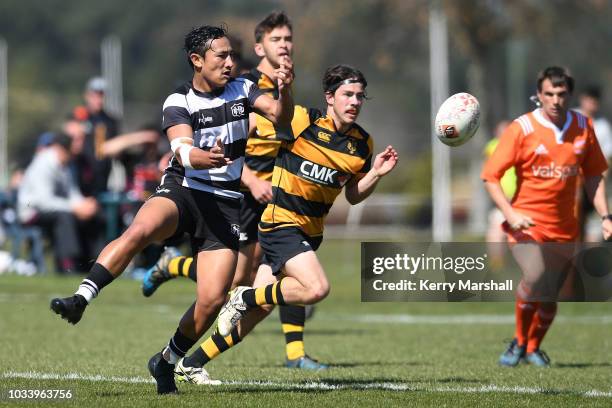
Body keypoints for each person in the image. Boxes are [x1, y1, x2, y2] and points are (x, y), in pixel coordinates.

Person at [50, 24, 294, 395]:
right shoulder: (178, 100)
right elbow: (182, 150)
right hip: (185, 189)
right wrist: (204, 158)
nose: (230, 62)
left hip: (226, 204)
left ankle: (165, 361)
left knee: (213, 299)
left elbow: (281, 116)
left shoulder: (244, 88)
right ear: (196, 60)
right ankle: (81, 297)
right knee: (140, 229)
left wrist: (285, 87)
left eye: (231, 55)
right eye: (221, 56)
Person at [141, 11, 327, 374]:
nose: (286, 46)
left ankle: (294, 352)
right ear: (259, 47)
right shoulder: (242, 85)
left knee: (277, 275)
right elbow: (222, 153)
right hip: (240, 194)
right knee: (235, 279)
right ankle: (172, 267)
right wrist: (251, 181)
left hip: (274, 198)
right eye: (277, 40)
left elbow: (287, 128)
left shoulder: (280, 89)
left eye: (289, 39)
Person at [200, 64, 397, 374]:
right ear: (330, 97)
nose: (355, 102)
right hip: (280, 223)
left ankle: (191, 362)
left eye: (360, 96)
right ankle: (245, 296)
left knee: (264, 307)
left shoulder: (362, 144)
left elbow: (354, 195)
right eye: (348, 95)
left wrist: (375, 173)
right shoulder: (304, 120)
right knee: (316, 288)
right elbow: (260, 121)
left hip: (310, 233)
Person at [481, 66, 612, 367]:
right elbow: (491, 176)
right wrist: (510, 213)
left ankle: (532, 347)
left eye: (561, 94)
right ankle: (518, 340)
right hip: (526, 223)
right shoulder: (522, 128)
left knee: (550, 294)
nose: (555, 100)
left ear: (569, 95)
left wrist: (606, 215)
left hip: (565, 227)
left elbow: (593, 175)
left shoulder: (583, 126)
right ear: (539, 95)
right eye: (549, 94)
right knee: (535, 276)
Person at [17, 133, 99, 273]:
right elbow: (44, 201)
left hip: (55, 209)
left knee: (94, 217)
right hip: (31, 212)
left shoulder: (66, 165)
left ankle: (92, 264)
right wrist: (75, 207)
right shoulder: (43, 163)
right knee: (64, 217)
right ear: (59, 149)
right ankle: (67, 266)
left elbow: (72, 192)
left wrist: (84, 205)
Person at [71, 77, 120, 197]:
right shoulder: (78, 116)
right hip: (80, 175)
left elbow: (113, 149)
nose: (98, 99)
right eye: (95, 95)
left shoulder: (110, 121)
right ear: (87, 96)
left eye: (101, 95)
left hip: (102, 176)